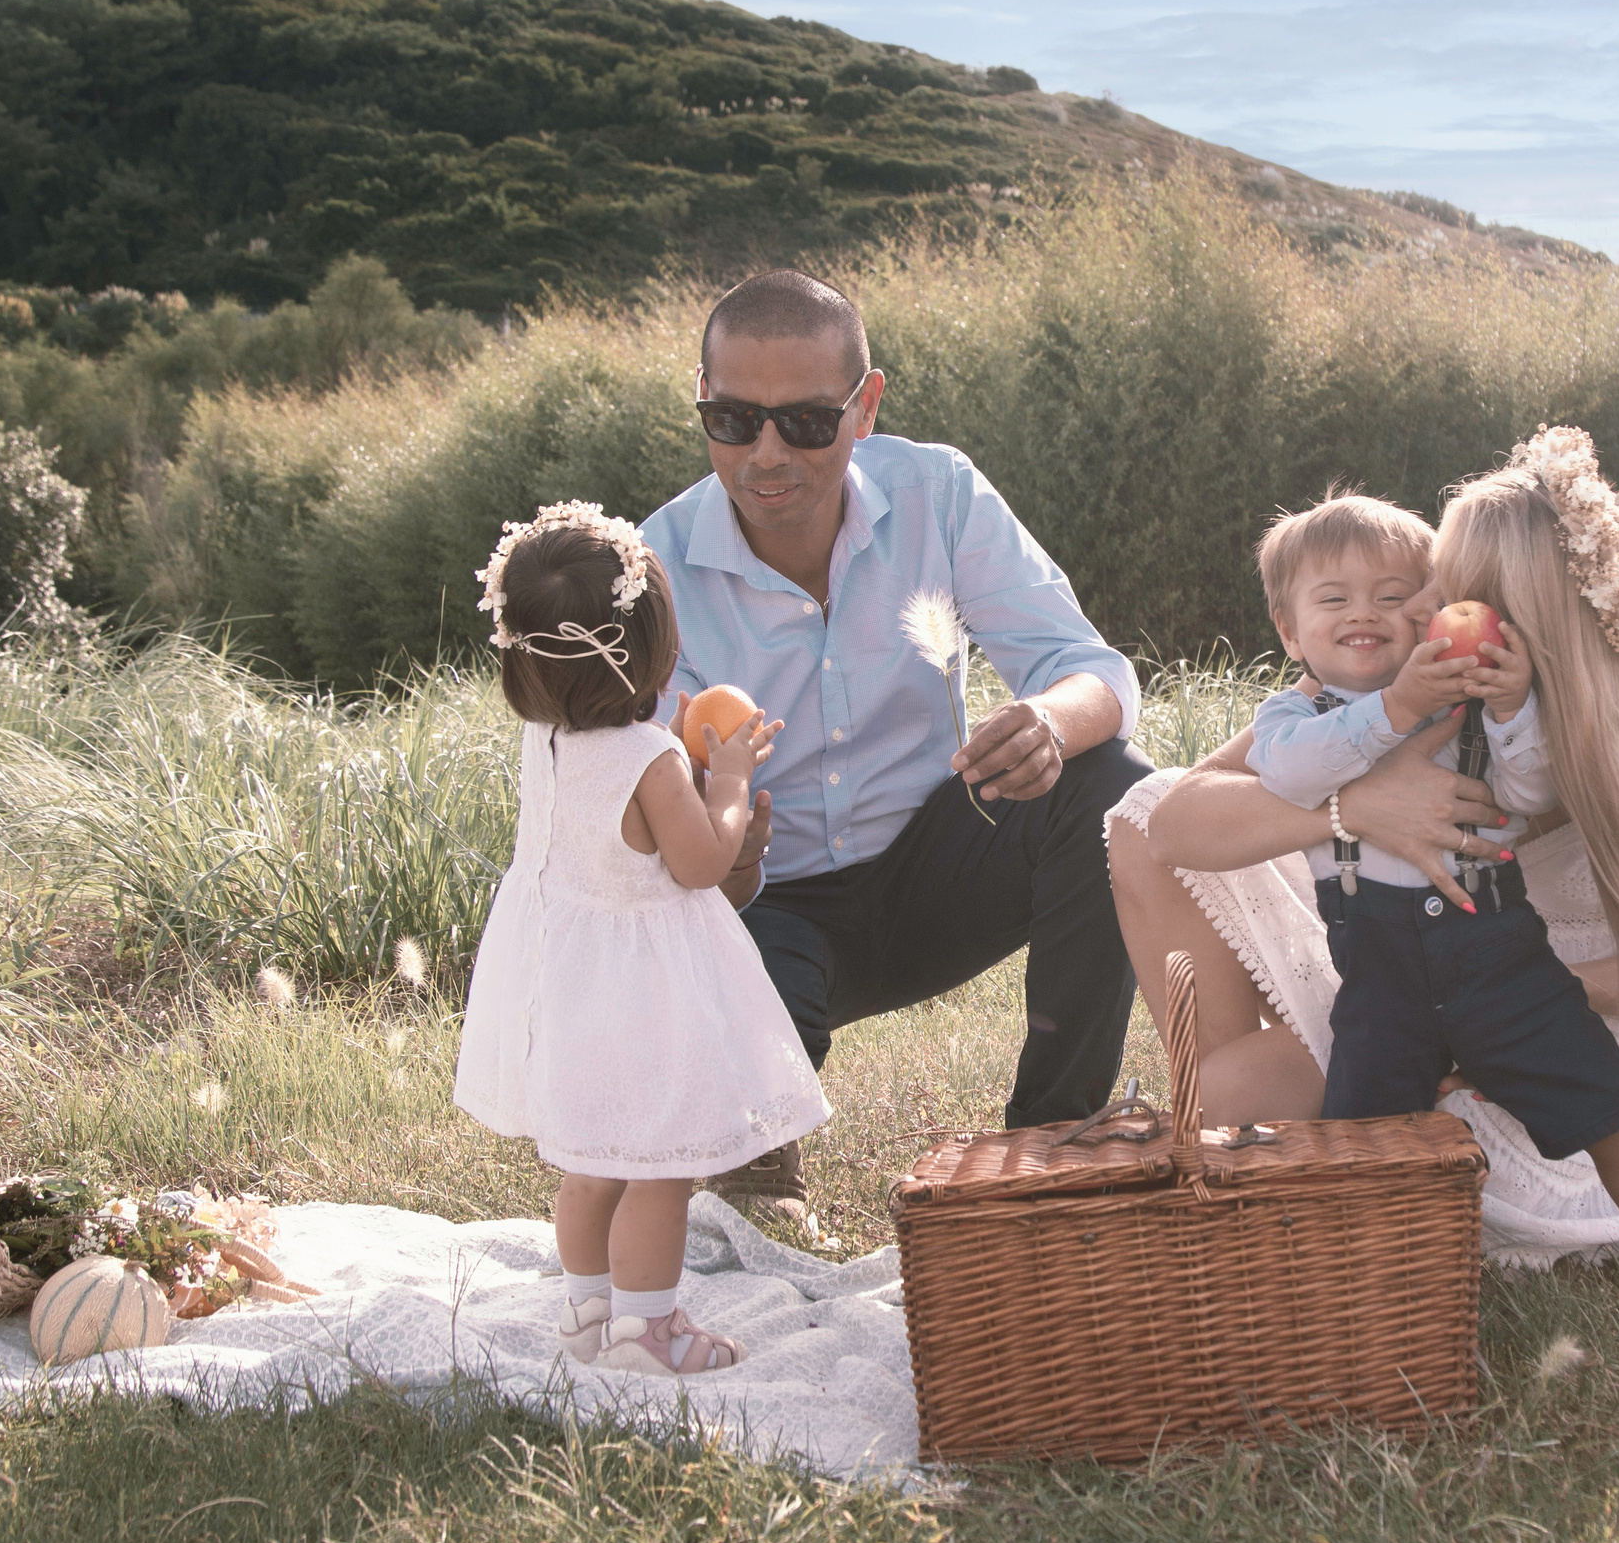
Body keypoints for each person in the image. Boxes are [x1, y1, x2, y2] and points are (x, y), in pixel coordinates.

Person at [1108, 438, 1619, 1298]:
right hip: (1404, 987)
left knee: (1575, 1096)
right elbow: (1176, 817)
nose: (1416, 605)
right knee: (1233, 1086)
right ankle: (1285, 1229)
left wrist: (1495, 1009)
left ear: (1515, 611)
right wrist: (1350, 808)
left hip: (1548, 1016)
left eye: (1441, 585)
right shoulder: (1398, 697)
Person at [639, 270, 1152, 1212]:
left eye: (803, 423)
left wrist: (1047, 719)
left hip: (937, 869)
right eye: (733, 420)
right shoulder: (652, 569)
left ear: (864, 406)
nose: (764, 454)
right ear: (702, 405)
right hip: (767, 906)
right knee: (746, 1196)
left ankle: (1051, 1142)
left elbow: (1091, 669)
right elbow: (650, 832)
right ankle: (758, 1166)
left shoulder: (939, 492)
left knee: (1112, 783)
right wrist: (730, 860)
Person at [452, 501, 829, 1375]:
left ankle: (589, 1317)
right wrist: (726, 780)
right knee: (657, 1171)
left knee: (589, 1168)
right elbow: (701, 864)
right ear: (651, 653)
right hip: (641, 1002)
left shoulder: (543, 743)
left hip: (569, 988)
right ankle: (647, 1334)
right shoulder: (651, 761)